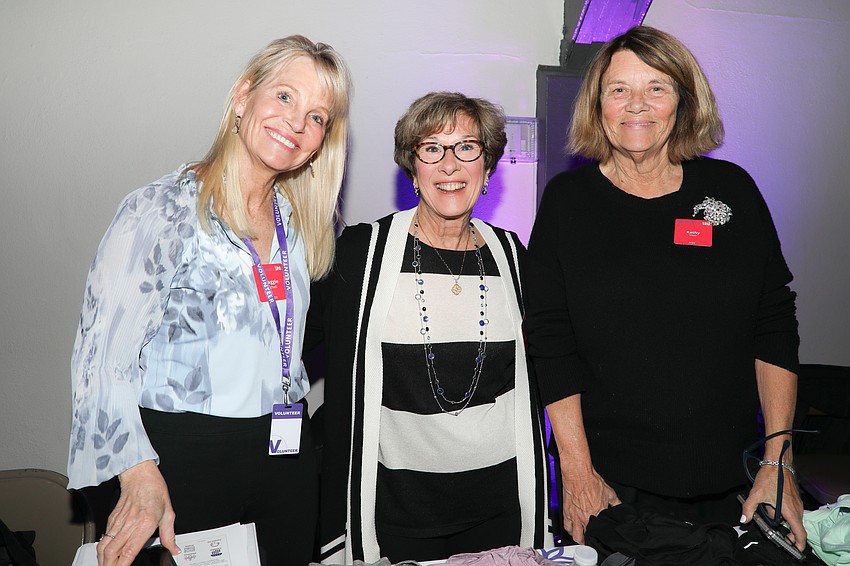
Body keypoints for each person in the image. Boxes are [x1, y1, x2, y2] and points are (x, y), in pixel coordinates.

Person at [67, 35, 352, 565]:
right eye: (285, 97)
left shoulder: (299, 224)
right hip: (178, 467)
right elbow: (100, 362)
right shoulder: (161, 209)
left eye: (317, 116)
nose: (297, 122)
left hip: (284, 466)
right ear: (243, 97)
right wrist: (137, 474)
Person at [524, 25, 805, 551]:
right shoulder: (568, 203)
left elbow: (773, 322)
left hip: (740, 479)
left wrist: (779, 462)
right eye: (619, 89)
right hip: (614, 488)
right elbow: (550, 342)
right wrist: (578, 474)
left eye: (656, 87)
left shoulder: (732, 191)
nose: (638, 105)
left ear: (683, 99)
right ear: (597, 103)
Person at [309, 92, 553, 564]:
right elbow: (291, 345)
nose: (449, 164)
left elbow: (553, 362)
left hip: (500, 511)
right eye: (432, 148)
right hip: (396, 515)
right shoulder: (362, 253)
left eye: (466, 147)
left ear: (487, 166)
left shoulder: (513, 257)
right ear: (413, 167)